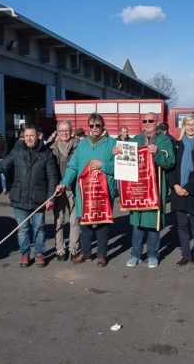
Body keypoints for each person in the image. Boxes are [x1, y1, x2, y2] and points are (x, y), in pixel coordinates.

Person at [0, 125, 58, 267]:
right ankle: (25, 253)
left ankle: (39, 253)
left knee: (39, 228)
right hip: (19, 197)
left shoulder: (46, 154)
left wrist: (51, 198)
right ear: (23, 137)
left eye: (31, 135)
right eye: (26, 136)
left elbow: (52, 177)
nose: (29, 138)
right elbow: (1, 167)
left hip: (38, 199)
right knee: (23, 229)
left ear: (38, 136)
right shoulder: (17, 151)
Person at [55, 114, 117, 267]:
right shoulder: (82, 145)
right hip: (84, 191)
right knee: (85, 224)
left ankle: (102, 255)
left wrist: (103, 165)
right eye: (91, 126)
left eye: (97, 125)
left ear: (103, 126)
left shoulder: (112, 143)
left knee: (102, 224)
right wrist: (64, 183)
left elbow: (121, 167)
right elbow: (73, 167)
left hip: (104, 191)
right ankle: (86, 253)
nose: (94, 128)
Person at [122, 112, 175, 268]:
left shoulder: (164, 140)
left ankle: (153, 254)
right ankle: (135, 254)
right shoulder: (137, 140)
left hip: (155, 188)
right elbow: (126, 161)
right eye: (144, 120)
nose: (147, 123)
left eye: (150, 120)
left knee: (153, 223)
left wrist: (157, 153)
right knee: (137, 224)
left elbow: (170, 162)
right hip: (138, 188)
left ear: (157, 122)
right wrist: (118, 153)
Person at [167, 114, 194, 266]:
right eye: (188, 124)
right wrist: (176, 186)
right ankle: (186, 254)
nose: (191, 127)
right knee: (182, 225)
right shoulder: (176, 144)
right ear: (184, 126)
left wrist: (189, 188)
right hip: (178, 190)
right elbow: (170, 167)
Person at [50, 120, 80, 261]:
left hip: (74, 188)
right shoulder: (51, 148)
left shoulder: (79, 147)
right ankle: (60, 249)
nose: (64, 133)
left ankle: (74, 248)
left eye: (66, 130)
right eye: (61, 131)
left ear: (71, 130)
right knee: (59, 220)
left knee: (75, 220)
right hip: (58, 190)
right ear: (57, 131)